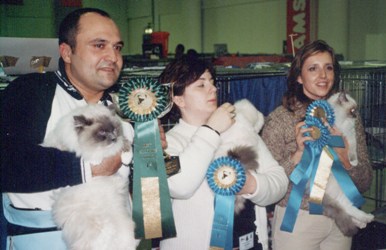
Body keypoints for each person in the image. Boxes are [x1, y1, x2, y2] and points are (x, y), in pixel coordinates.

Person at [0, 8, 150, 249]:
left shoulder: (125, 105)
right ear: (67, 52)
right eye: (99, 45)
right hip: (48, 238)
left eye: (117, 47)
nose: (113, 56)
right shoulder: (31, 92)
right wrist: (86, 167)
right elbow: (6, 162)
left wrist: (150, 151)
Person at [158, 56, 288, 250]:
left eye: (212, 82)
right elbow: (180, 186)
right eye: (201, 85)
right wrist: (211, 130)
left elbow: (280, 181)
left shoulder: (240, 128)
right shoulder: (168, 143)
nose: (213, 89)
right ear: (178, 99)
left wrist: (253, 185)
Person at [261, 40, 373, 250]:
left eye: (328, 67)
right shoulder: (279, 120)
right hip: (298, 219)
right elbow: (268, 184)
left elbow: (365, 181)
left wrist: (346, 160)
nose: (323, 75)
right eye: (313, 68)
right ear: (299, 77)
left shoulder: (350, 117)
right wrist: (297, 156)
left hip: (341, 219)